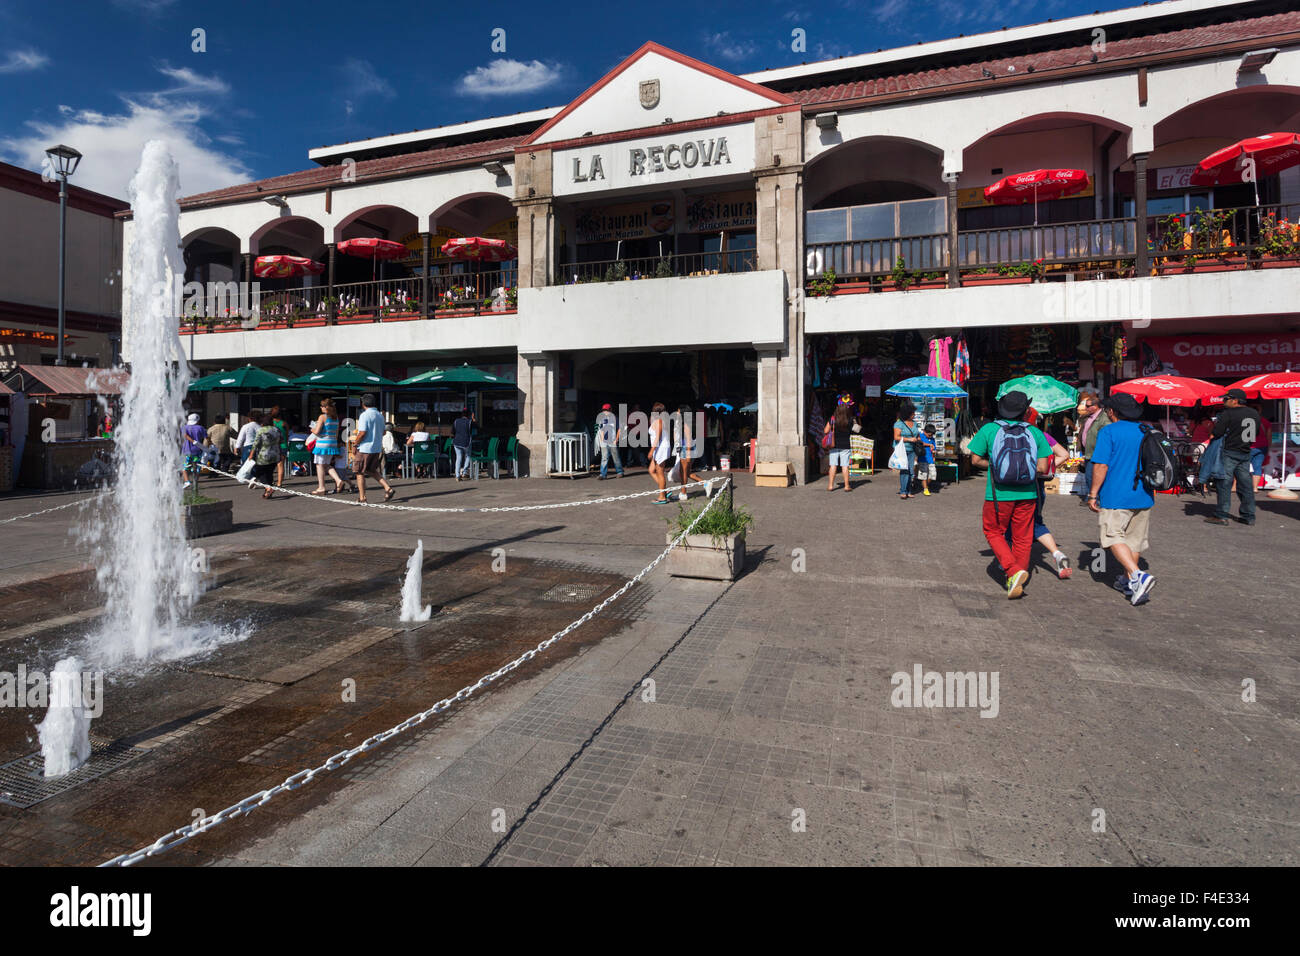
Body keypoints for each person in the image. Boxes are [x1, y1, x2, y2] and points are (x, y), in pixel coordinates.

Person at [966, 390, 1052, 600]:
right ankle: (1015, 580)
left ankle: (1012, 572)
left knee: (993, 531)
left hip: (998, 495)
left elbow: (975, 460)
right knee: (1022, 538)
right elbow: (1042, 468)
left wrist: (996, 467)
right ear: (1025, 411)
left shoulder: (989, 430)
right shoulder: (1035, 432)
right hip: (1028, 494)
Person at [1088, 393, 1156, 605]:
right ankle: (1130, 584)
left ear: (1112, 412)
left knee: (1113, 536)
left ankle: (1137, 575)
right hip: (1143, 494)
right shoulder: (1146, 430)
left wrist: (1092, 494)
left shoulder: (1109, 431)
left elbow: (1100, 465)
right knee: (1133, 542)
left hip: (1116, 494)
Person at [1008, 407, 1073, 579]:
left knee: (1011, 522)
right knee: (1035, 522)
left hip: (1015, 485)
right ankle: (1057, 554)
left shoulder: (1014, 435)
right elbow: (1065, 454)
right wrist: (1046, 469)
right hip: (1037, 485)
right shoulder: (1042, 435)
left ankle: (1009, 562)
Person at [1207, 388, 1261, 527]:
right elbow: (1257, 432)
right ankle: (1248, 516)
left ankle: (1222, 515)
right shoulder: (1254, 413)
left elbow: (1217, 433)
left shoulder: (1228, 413)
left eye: (1226, 399)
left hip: (1230, 452)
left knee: (1224, 484)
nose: (1224, 402)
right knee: (1246, 485)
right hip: (1245, 451)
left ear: (1235, 400)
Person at [353, 393, 395, 503]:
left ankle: (362, 497)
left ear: (363, 403)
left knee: (359, 472)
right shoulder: (380, 415)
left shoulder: (364, 415)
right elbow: (384, 432)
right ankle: (387, 488)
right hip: (376, 448)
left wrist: (355, 444)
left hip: (365, 448)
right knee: (371, 470)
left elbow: (362, 433)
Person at [311, 398, 353, 495]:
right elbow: (337, 433)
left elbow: (317, 431)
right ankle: (338, 480)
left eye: (322, 406)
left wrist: (312, 429)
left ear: (326, 407)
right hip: (332, 442)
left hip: (322, 443)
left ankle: (321, 487)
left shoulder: (322, 417)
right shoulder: (336, 417)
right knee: (326, 465)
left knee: (319, 465)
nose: (321, 408)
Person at [1076, 391, 1107, 504]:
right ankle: (1092, 497)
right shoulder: (1089, 416)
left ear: (1095, 406)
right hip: (1089, 452)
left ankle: (1094, 498)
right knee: (1088, 476)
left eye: (1088, 406)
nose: (1086, 407)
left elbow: (1104, 436)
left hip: (1097, 452)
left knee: (1091, 476)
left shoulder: (1103, 418)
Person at [247, 412, 283, 500]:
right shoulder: (277, 429)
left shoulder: (261, 430)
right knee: (269, 473)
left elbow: (255, 444)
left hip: (263, 455)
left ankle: (268, 488)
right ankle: (268, 492)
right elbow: (281, 440)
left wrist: (251, 455)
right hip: (275, 454)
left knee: (259, 473)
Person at [823, 395, 854, 493]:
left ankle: (830, 486)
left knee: (833, 465)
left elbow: (825, 431)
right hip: (845, 445)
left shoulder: (833, 419)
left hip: (833, 444)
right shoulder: (850, 419)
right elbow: (854, 430)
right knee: (845, 465)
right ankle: (846, 486)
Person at [892, 403, 922, 499]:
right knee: (905, 470)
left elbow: (917, 434)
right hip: (902, 449)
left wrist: (918, 439)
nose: (914, 414)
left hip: (912, 449)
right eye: (912, 413)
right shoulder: (899, 423)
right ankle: (903, 491)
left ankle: (909, 490)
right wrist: (909, 439)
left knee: (911, 470)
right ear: (907, 413)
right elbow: (896, 437)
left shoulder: (915, 423)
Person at [648, 401, 671, 504]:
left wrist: (651, 451)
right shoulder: (658, 420)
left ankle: (662, 497)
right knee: (651, 470)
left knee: (660, 472)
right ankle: (665, 490)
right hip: (659, 448)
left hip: (660, 448)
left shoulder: (659, 421)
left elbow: (658, 437)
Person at [595, 403, 624, 480]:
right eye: (604, 410)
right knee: (604, 458)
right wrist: (601, 438)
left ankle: (620, 472)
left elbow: (619, 429)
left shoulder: (615, 418)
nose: (605, 412)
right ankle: (603, 474)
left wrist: (616, 439)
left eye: (607, 410)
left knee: (616, 457)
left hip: (613, 440)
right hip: (604, 441)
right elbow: (601, 429)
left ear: (610, 410)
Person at [181, 413, 207, 489]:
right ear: (197, 420)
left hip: (187, 450)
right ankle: (195, 482)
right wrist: (206, 447)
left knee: (184, 467)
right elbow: (206, 438)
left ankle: (187, 481)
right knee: (196, 467)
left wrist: (192, 441)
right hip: (197, 450)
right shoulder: (201, 428)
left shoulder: (184, 428)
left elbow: (184, 436)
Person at [1250, 404, 1272, 482]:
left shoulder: (1246, 421)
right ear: (1259, 411)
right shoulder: (1265, 421)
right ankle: (1255, 488)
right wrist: (1269, 447)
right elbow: (1269, 437)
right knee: (1257, 467)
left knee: (1243, 467)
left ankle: (1243, 486)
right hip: (1262, 447)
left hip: (1249, 447)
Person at [452, 408, 474, 481]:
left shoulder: (456, 421)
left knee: (458, 458)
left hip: (456, 441)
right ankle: (464, 473)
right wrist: (473, 419)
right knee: (468, 456)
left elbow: (453, 432)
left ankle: (457, 475)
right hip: (466, 442)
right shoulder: (469, 422)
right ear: (469, 415)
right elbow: (477, 429)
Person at [269, 405, 289, 488]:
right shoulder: (284, 423)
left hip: (272, 446)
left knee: (271, 465)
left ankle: (270, 481)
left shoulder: (271, 423)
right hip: (283, 445)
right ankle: (279, 483)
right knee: (280, 465)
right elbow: (287, 434)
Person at [915, 424, 938, 496]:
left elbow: (934, 448)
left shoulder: (932, 439)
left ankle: (924, 485)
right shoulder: (920, 436)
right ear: (924, 431)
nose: (930, 436)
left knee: (933, 475)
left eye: (932, 435)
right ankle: (925, 489)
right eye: (929, 435)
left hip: (930, 459)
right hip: (922, 458)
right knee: (924, 474)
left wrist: (934, 454)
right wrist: (929, 445)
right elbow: (919, 443)